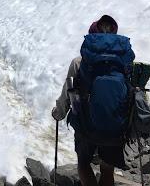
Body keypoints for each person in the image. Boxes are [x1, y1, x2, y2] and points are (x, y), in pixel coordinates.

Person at [52, 15, 131, 186]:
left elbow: (69, 90)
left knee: (83, 163)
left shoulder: (79, 62)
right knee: (107, 169)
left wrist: (59, 113)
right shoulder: (124, 63)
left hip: (85, 125)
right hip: (115, 124)